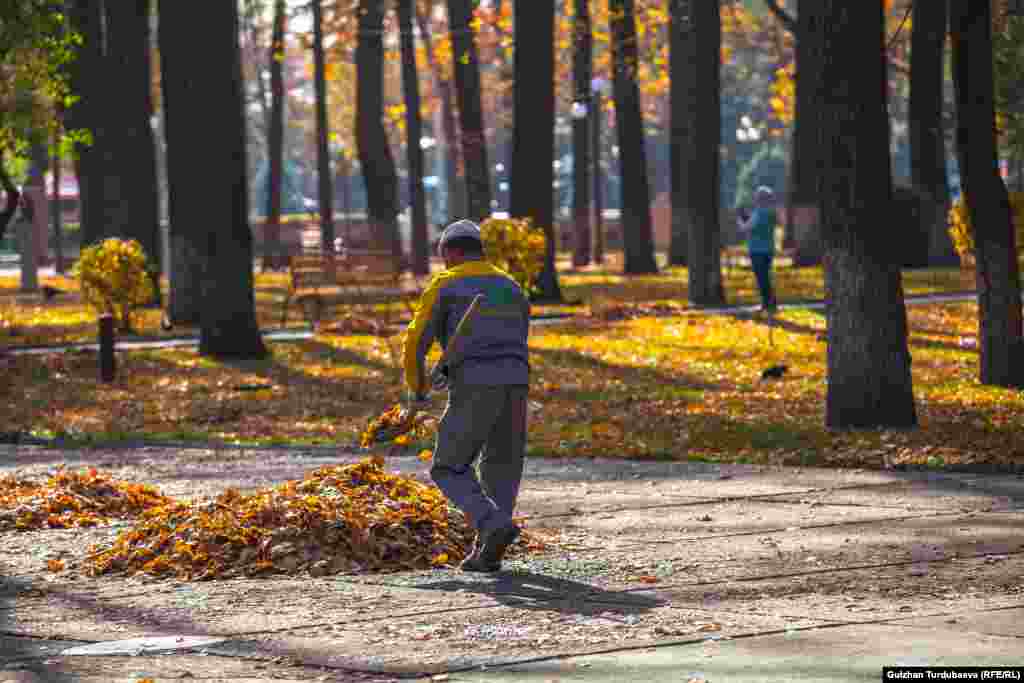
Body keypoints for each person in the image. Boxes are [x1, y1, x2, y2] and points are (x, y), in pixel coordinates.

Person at [402, 219, 531, 572]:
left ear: (450, 252)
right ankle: (488, 552)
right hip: (518, 382)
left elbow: (415, 341)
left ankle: (491, 524)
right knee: (502, 464)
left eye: (443, 256)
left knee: (449, 466)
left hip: (475, 383)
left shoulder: (447, 283)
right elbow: (513, 336)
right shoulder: (511, 285)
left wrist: (416, 389)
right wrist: (446, 369)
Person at [738, 186, 778, 314]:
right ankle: (769, 304)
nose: (755, 199)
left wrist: (740, 220)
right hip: (769, 249)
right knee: (766, 277)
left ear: (760, 199)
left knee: (762, 278)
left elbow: (746, 228)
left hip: (757, 250)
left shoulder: (758, 213)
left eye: (756, 197)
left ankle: (768, 304)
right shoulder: (772, 213)